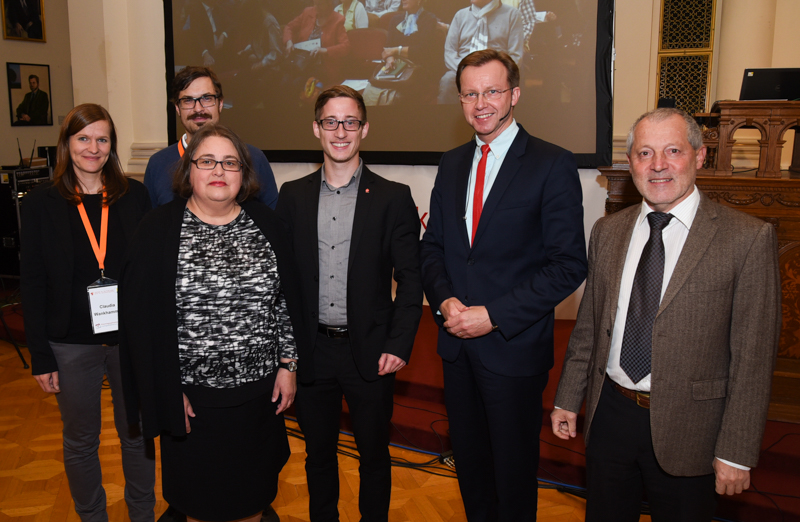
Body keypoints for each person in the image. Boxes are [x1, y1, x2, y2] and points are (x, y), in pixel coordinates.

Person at [550, 108, 781, 521]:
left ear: (700, 156)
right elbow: (590, 325)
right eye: (644, 153)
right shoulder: (608, 231)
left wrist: (737, 450)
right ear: (632, 163)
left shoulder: (746, 239)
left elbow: (753, 358)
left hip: (692, 428)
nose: (658, 165)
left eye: (673, 150)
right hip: (611, 417)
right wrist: (569, 397)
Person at [419, 49, 587, 521]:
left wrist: (492, 316)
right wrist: (446, 301)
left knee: (512, 478)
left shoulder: (551, 164)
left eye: (491, 91)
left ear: (514, 94)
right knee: (471, 470)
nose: (481, 103)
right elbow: (432, 248)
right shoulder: (451, 163)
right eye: (470, 94)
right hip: (455, 346)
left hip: (511, 349)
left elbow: (568, 264)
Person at [120, 123, 304, 522]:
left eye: (230, 162)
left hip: (258, 399)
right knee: (199, 506)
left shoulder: (268, 226)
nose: (218, 170)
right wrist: (166, 391)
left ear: (244, 174)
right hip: (190, 403)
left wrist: (289, 366)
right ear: (188, 171)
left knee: (250, 501)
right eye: (207, 161)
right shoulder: (156, 231)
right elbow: (140, 324)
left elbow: (286, 304)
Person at [275, 85, 422, 522]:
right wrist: (285, 352)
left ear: (364, 129)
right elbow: (280, 282)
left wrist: (399, 343)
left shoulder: (394, 197)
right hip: (312, 351)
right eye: (331, 122)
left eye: (350, 122)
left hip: (373, 353)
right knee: (318, 454)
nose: (341, 131)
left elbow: (411, 278)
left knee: (374, 455)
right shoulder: (292, 195)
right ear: (316, 128)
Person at [20, 103, 155, 521]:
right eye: (83, 138)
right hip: (70, 342)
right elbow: (34, 282)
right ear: (67, 143)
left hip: (129, 339)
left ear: (112, 146)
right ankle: (92, 516)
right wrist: (41, 355)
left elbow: (149, 272)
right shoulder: (41, 203)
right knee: (81, 440)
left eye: (102, 139)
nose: (93, 148)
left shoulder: (135, 197)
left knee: (136, 435)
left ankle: (142, 514)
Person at [143, 66, 279, 209]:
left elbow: (273, 222)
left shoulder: (254, 158)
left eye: (206, 98)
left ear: (220, 104)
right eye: (188, 100)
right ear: (177, 108)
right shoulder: (157, 164)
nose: (198, 109)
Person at [437, 0, 523, 104]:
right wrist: (466, 70)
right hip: (462, 70)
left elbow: (515, 56)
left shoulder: (512, 15)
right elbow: (450, 52)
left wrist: (492, 72)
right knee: (448, 81)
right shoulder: (460, 16)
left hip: (496, 73)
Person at [380, 0, 442, 103]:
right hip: (395, 67)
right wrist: (389, 59)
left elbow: (422, 51)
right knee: (373, 92)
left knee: (397, 97)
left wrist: (396, 50)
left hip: (419, 70)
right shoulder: (395, 19)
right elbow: (387, 47)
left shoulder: (429, 19)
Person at [283, 0, 351, 85]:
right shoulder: (308, 12)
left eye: (320, 4)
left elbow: (345, 47)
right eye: (315, 3)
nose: (316, 7)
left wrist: (324, 50)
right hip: (302, 61)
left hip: (323, 66)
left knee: (297, 83)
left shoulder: (337, 20)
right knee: (285, 79)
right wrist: (289, 41)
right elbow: (289, 27)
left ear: (328, 3)